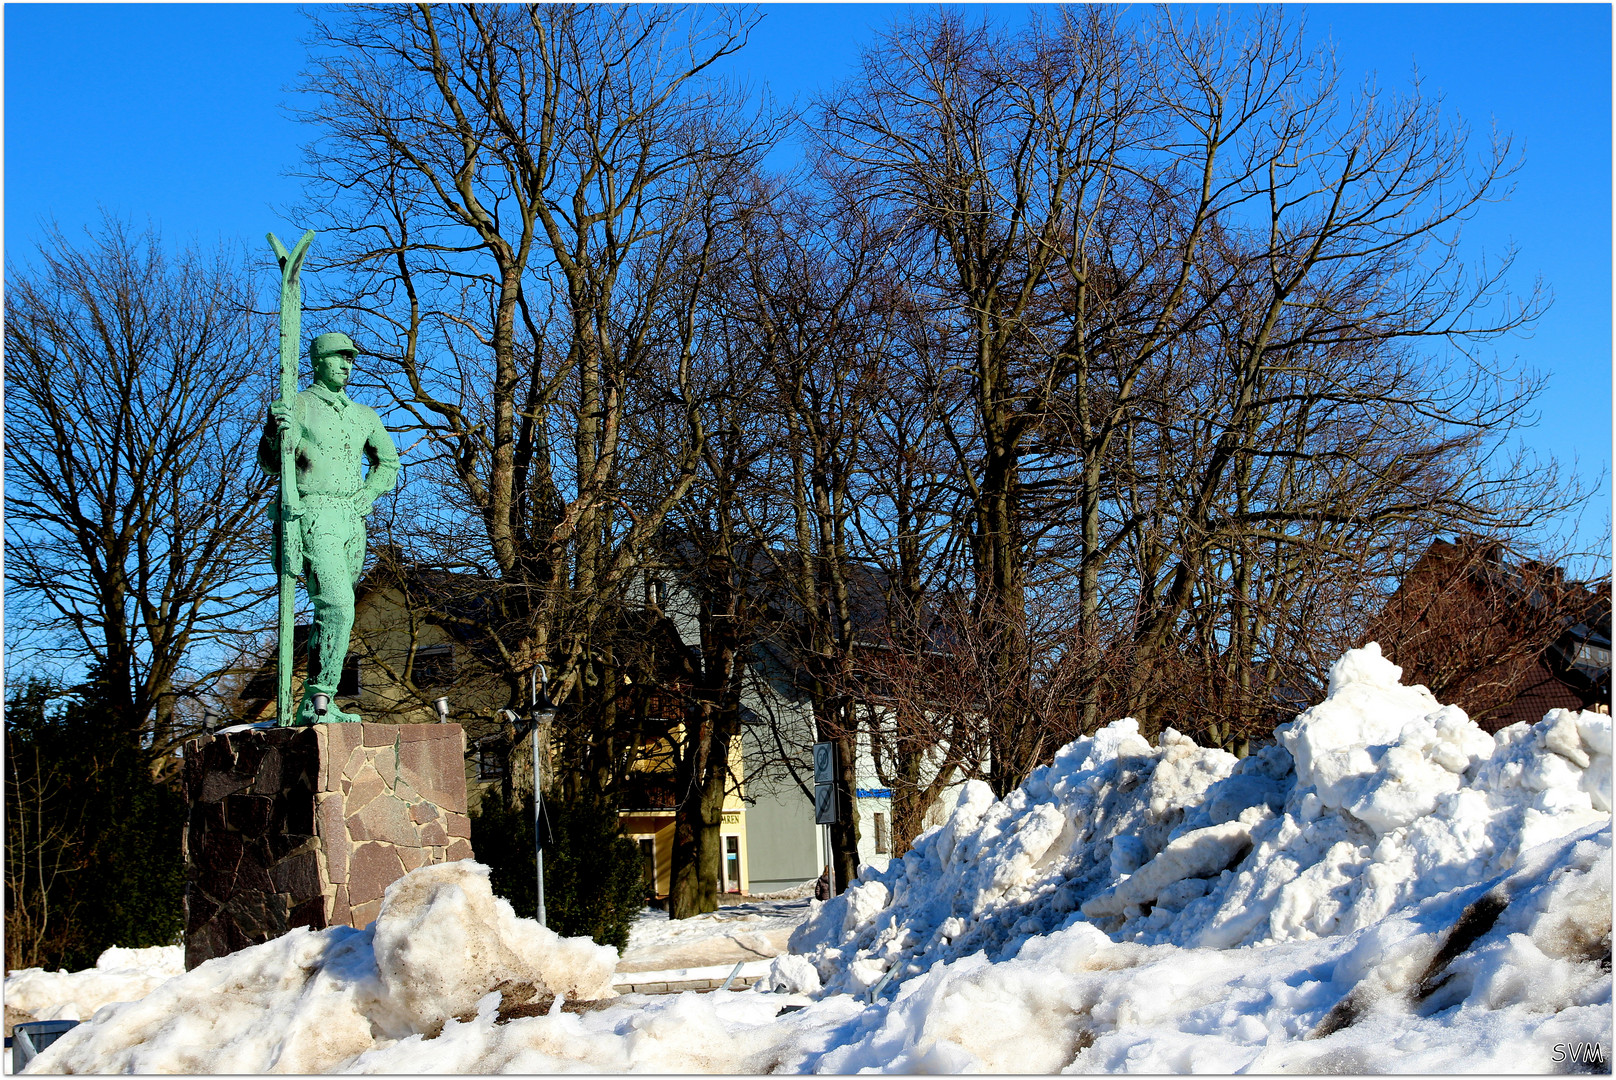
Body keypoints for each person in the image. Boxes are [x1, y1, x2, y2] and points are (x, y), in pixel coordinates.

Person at [259, 332, 399, 725]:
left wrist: (368, 495)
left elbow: (387, 462)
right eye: (338, 358)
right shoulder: (298, 404)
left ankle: (322, 701)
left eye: (350, 360)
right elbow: (272, 464)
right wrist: (275, 429)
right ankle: (318, 693)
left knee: (340, 612)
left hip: (352, 519)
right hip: (312, 512)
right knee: (337, 604)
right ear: (317, 361)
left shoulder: (363, 415)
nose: (346, 366)